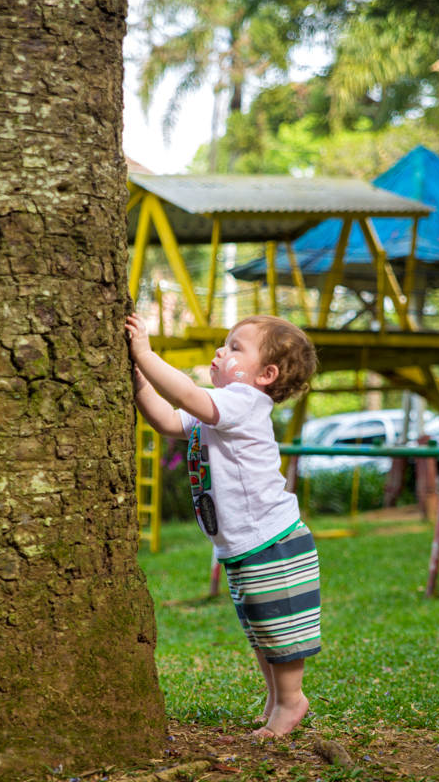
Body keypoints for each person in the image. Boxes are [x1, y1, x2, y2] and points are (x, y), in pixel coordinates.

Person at [125, 312, 319, 738]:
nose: (220, 350)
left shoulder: (243, 401)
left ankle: (291, 701)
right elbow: (167, 421)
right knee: (260, 630)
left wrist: (144, 353)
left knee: (279, 631)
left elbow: (187, 395)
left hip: (272, 541)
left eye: (235, 347)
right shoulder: (222, 410)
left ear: (265, 375)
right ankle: (276, 698)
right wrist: (139, 382)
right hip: (245, 545)